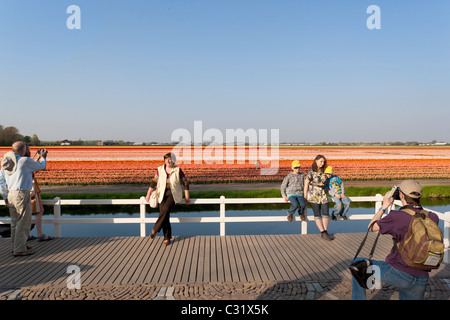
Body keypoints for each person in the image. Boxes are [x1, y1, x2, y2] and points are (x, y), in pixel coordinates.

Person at [351, 180, 439, 300]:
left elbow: (371, 226)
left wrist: (384, 206)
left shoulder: (397, 216)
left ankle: (368, 289)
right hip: (422, 277)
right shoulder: (433, 217)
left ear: (401, 195)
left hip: (398, 273)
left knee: (357, 264)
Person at [0, 142, 47, 256]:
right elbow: (41, 166)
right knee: (23, 222)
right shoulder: (24, 161)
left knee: (15, 222)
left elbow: (1, 180)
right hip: (22, 194)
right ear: (23, 149)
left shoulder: (6, 161)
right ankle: (20, 249)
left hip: (11, 194)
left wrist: (5, 196)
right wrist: (43, 158)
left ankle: (16, 245)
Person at [145, 152, 190, 246]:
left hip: (173, 194)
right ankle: (167, 238)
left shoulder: (177, 170)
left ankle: (154, 230)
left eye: (169, 159)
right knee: (165, 215)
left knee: (165, 210)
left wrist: (187, 196)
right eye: (166, 159)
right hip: (161, 194)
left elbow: (185, 182)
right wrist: (148, 194)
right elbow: (154, 182)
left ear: (173, 160)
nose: (168, 161)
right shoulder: (160, 169)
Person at [25, 146, 54, 241]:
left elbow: (32, 167)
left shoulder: (18, 161)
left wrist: (37, 157)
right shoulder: (26, 161)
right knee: (39, 211)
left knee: (24, 213)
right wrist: (43, 157)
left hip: (20, 191)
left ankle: (25, 235)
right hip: (31, 190)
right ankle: (39, 233)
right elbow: (40, 167)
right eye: (28, 150)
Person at [304, 155, 333, 241]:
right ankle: (323, 232)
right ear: (316, 161)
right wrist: (305, 196)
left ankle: (325, 230)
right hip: (313, 195)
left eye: (323, 162)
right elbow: (306, 185)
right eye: (321, 161)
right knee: (317, 214)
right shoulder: (311, 172)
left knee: (326, 213)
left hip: (323, 194)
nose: (322, 163)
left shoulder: (324, 171)